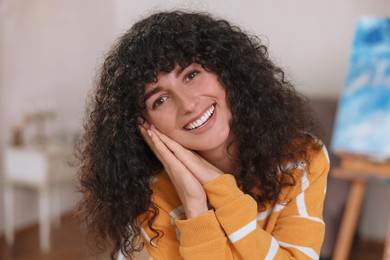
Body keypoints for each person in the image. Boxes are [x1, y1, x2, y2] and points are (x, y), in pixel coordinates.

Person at [77, 10, 330, 260]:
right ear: (145, 126)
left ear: (226, 71)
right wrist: (195, 207)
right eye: (160, 100)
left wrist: (221, 191)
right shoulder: (148, 199)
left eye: (191, 75)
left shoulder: (301, 158)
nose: (187, 104)